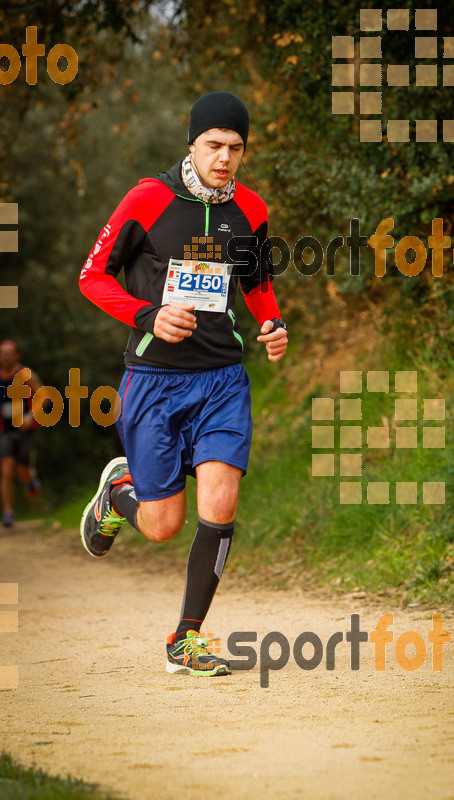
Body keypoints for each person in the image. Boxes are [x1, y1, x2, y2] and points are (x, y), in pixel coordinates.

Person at [79, 91, 288, 677]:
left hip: (222, 378)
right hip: (154, 379)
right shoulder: (147, 199)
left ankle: (186, 639)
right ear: (192, 144)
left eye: (236, 147)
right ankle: (119, 489)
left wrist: (272, 322)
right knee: (162, 525)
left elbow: (257, 283)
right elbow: (91, 277)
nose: (225, 157)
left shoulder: (250, 208)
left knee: (220, 502)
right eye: (214, 145)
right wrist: (148, 315)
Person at [0, 340, 42, 527]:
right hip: (4, 432)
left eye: (9, 353)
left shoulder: (25, 374)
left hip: (24, 430)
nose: (5, 356)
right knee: (7, 470)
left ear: (17, 356)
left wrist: (30, 416)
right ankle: (8, 512)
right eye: (2, 353)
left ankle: (30, 480)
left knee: (22, 470)